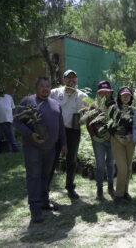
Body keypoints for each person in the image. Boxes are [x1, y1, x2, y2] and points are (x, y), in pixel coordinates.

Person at [13, 77, 67, 223]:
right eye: (42, 86)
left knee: (46, 175)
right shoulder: (27, 101)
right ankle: (35, 208)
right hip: (32, 147)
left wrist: (63, 144)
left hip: (50, 148)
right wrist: (31, 134)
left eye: (47, 86)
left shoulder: (56, 104)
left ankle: (44, 201)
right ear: (36, 88)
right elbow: (16, 121)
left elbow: (60, 125)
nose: (45, 89)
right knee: (34, 176)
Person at [49, 70, 88, 199]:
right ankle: (45, 189)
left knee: (71, 160)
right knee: (52, 159)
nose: (71, 80)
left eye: (73, 78)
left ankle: (70, 188)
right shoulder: (54, 92)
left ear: (77, 80)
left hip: (73, 131)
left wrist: (83, 120)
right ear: (64, 80)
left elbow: (88, 114)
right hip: (56, 130)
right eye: (68, 78)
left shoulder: (83, 96)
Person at [84, 80, 115, 200]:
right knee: (100, 164)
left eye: (106, 92)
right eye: (101, 92)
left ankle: (111, 186)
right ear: (98, 93)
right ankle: (99, 189)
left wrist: (112, 133)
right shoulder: (93, 106)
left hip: (111, 140)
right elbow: (89, 123)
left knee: (111, 163)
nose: (104, 95)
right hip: (98, 141)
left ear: (110, 92)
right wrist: (94, 136)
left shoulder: (114, 106)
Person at [108, 86, 136, 203]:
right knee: (122, 168)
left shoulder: (133, 110)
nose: (126, 97)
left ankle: (125, 192)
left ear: (131, 97)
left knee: (128, 168)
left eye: (128, 95)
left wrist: (130, 136)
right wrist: (117, 135)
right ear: (119, 96)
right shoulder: (114, 108)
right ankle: (118, 195)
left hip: (130, 141)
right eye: (123, 95)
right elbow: (108, 124)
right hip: (117, 140)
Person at [0, 82, 20, 154]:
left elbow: (13, 108)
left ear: (2, 88)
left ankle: (15, 149)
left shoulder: (9, 97)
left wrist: (13, 117)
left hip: (8, 120)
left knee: (11, 136)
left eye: (0, 86)